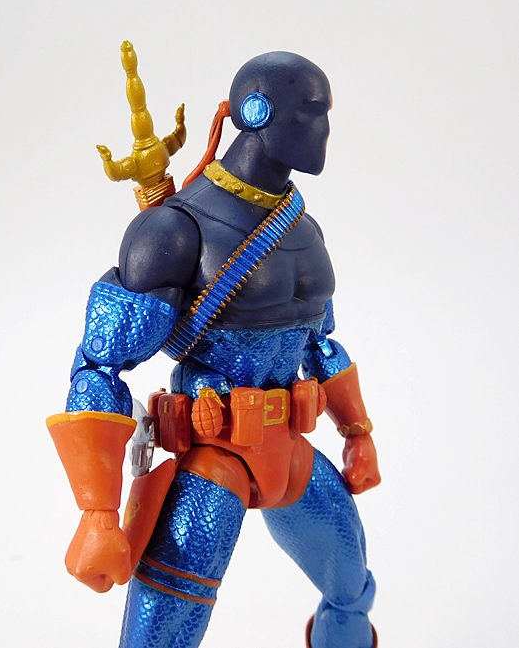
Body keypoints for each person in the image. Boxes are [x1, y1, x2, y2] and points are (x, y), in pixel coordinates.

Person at [48, 50, 381, 648]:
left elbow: (320, 342)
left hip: (290, 449)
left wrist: (357, 432)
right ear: (255, 112)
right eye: (309, 113)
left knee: (352, 588)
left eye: (325, 113)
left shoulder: (303, 228)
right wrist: (97, 510)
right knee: (164, 627)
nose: (323, 129)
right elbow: (98, 365)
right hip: (214, 457)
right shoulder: (177, 230)